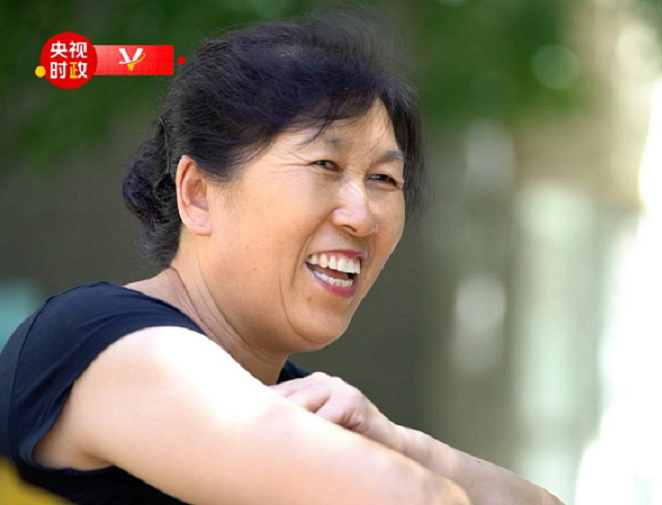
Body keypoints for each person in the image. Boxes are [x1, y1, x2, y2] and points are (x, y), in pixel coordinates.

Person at [0, 11, 564, 505]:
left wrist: (397, 440)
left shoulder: (303, 401)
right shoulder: (104, 341)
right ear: (198, 194)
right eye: (324, 165)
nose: (362, 216)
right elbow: (407, 497)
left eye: (384, 179)